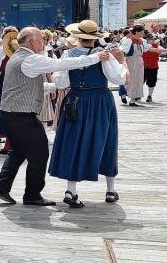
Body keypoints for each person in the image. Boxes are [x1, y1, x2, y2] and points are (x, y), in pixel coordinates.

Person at [0, 26, 111, 206]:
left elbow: (25, 87)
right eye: (41, 39)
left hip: (12, 114)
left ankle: (2, 185)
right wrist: (95, 57)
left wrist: (54, 87)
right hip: (22, 115)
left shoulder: (18, 57)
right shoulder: (30, 59)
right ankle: (32, 195)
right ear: (31, 41)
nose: (43, 42)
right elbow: (61, 64)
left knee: (19, 150)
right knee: (40, 152)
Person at [49, 21, 128, 208]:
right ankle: (110, 190)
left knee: (73, 142)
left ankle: (71, 190)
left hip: (75, 99)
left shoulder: (67, 54)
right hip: (100, 100)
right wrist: (123, 63)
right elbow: (118, 78)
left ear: (78, 36)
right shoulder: (105, 55)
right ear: (96, 37)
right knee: (107, 141)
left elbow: (60, 82)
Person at [120, 25, 146, 106]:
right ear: (137, 32)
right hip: (130, 61)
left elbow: (146, 49)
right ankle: (126, 96)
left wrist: (158, 50)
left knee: (138, 80)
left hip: (139, 61)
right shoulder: (129, 40)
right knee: (130, 80)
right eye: (141, 31)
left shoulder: (141, 41)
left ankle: (133, 99)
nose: (143, 33)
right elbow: (123, 50)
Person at [142, 34, 163, 103]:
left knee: (152, 82)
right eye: (150, 39)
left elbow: (163, 51)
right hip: (143, 67)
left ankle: (149, 96)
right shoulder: (143, 46)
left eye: (153, 39)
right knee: (140, 82)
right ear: (147, 40)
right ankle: (137, 95)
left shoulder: (157, 46)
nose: (152, 40)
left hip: (153, 67)